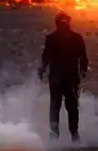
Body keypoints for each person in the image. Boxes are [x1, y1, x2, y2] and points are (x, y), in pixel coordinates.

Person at [37, 11, 88, 142]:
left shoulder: (72, 38)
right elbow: (46, 56)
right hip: (61, 78)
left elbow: (83, 57)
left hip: (66, 77)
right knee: (62, 106)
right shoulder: (71, 38)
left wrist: (41, 70)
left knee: (64, 106)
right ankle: (62, 135)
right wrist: (41, 69)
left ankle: (70, 134)